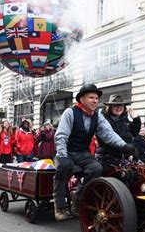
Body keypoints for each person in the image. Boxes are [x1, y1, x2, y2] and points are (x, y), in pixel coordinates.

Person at [53, 84, 134, 221]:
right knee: (63, 168)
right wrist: (62, 155)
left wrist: (124, 146)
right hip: (67, 151)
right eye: (91, 97)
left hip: (83, 153)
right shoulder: (70, 112)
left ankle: (78, 196)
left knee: (97, 168)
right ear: (82, 99)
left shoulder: (98, 116)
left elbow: (108, 134)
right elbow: (61, 136)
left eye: (97, 98)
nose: (95, 100)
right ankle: (59, 206)